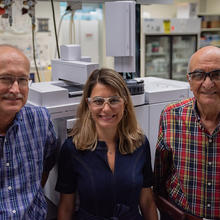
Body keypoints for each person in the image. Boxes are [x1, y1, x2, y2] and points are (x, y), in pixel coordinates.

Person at [55, 68, 158, 220]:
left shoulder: (140, 144)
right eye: (98, 101)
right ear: (88, 104)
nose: (106, 109)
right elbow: (66, 207)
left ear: (125, 103)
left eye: (114, 100)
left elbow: (147, 202)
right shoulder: (72, 149)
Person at [154, 45, 220, 220]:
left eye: (216, 74)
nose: (208, 83)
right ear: (189, 81)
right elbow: (161, 173)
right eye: (198, 75)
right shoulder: (171, 116)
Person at [0, 44, 57, 219]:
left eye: (23, 80)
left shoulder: (40, 121)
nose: (15, 89)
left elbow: (48, 161)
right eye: (6, 79)